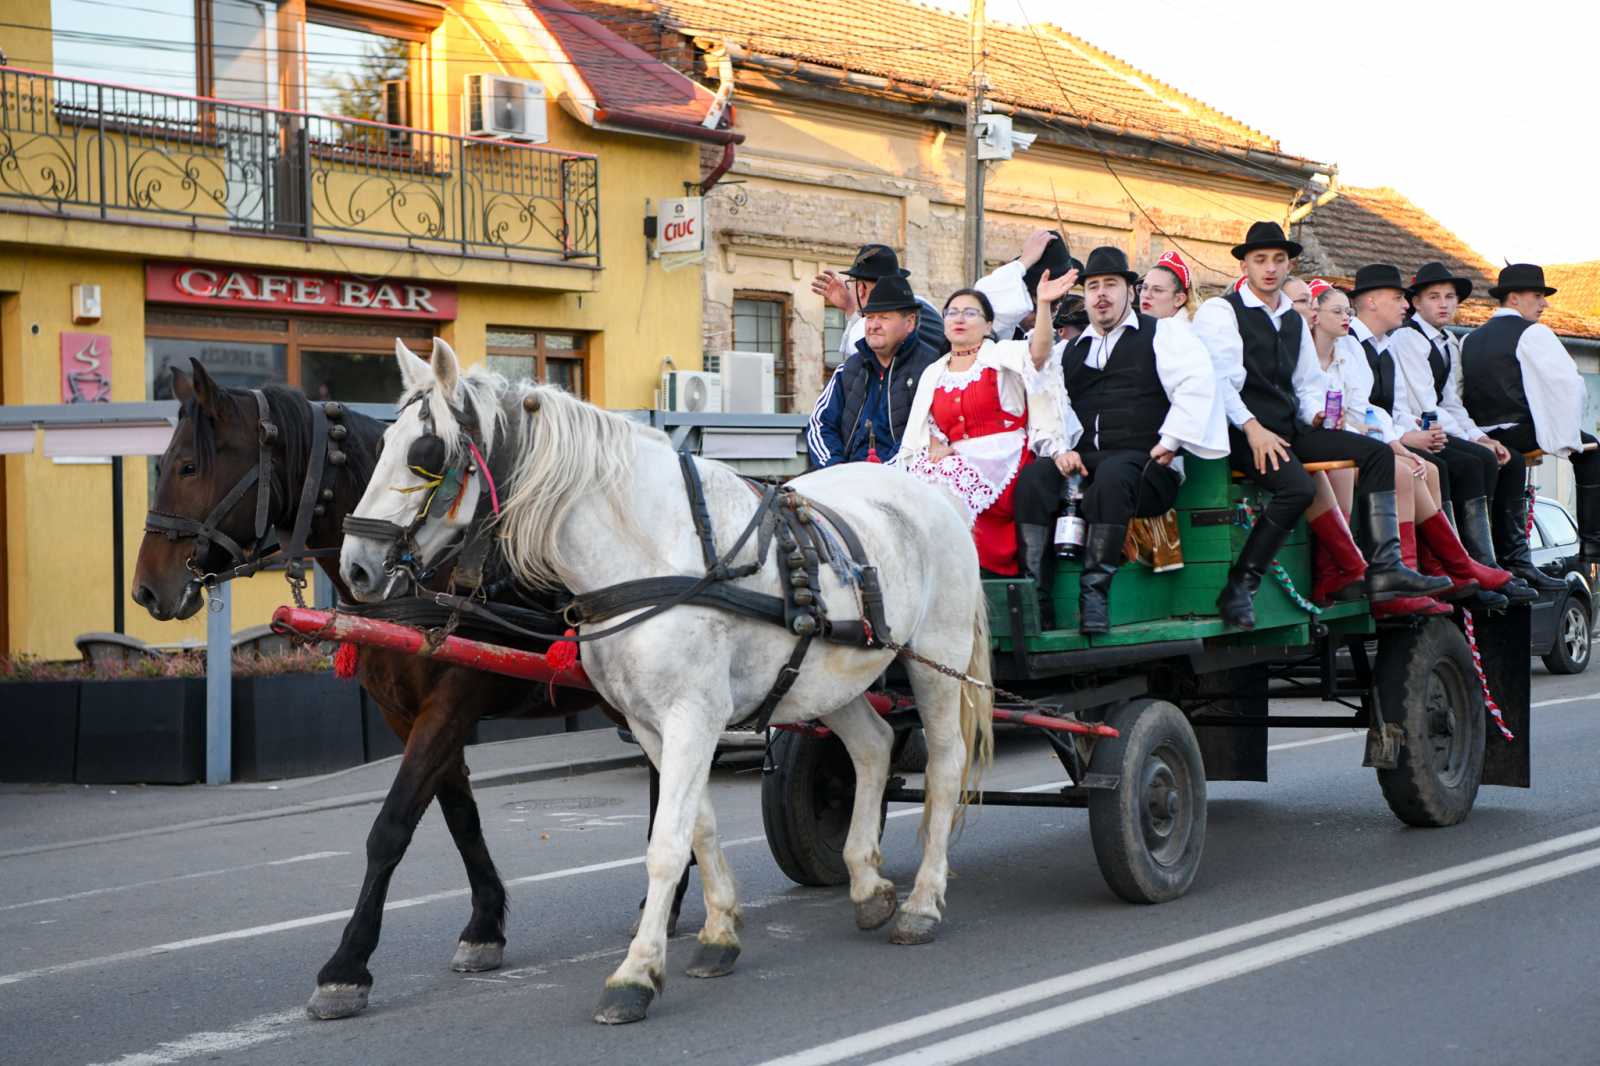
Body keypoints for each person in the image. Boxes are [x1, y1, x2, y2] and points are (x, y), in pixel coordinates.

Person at [1193, 221, 1448, 629]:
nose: (1270, 268)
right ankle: (1241, 584)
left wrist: (1316, 414)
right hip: (1240, 430)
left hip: (1289, 428)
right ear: (1244, 266)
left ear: (1289, 262)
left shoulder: (1293, 320)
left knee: (1378, 454)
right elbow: (1218, 380)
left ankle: (1385, 567)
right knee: (1296, 487)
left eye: (1278, 260)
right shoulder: (1222, 311)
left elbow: (1307, 385)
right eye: (1260, 260)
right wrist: (1252, 427)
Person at [1012, 246, 1224, 633]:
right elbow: (1047, 404)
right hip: (1087, 465)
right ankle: (1034, 599)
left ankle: (1094, 596)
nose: (1101, 294)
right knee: (1034, 479)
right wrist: (1059, 451)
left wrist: (1172, 439)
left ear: (1130, 291)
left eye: (1111, 284)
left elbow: (1196, 382)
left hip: (1148, 469)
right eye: (1093, 286)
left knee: (1113, 475)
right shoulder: (1068, 351)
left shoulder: (1163, 334)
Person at [1318, 265, 1514, 615]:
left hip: (1375, 435)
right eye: (1398, 299)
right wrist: (1400, 441)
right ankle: (1421, 570)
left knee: (1432, 468)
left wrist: (1401, 439)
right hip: (1354, 439)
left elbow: (1388, 409)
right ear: (1372, 302)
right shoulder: (1352, 344)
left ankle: (1440, 568)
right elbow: (1358, 409)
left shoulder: (1385, 346)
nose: (1405, 306)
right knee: (1412, 470)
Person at [892, 288, 1069, 576]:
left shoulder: (1000, 355)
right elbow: (923, 428)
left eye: (970, 312)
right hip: (955, 459)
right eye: (952, 312)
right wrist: (934, 441)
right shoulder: (934, 372)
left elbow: (1039, 353)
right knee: (911, 495)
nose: (959, 318)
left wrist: (1044, 305)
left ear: (988, 325)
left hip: (1002, 456)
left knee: (942, 496)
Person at [1390, 262, 1538, 601]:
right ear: (1416, 303)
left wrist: (1482, 437)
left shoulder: (1449, 342)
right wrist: (1473, 441)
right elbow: (1427, 404)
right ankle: (1467, 563)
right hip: (1415, 427)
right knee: (1473, 463)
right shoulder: (1408, 339)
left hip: (1440, 424)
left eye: (1450, 297)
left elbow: (1453, 402)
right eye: (1433, 297)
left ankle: (1505, 558)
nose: (1443, 304)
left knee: (1506, 459)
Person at [1460, 262, 1600, 566]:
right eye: (1537, 295)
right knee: (1591, 449)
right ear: (1514, 298)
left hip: (1479, 435)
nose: (1544, 304)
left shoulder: (1468, 340)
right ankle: (1593, 543)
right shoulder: (1533, 333)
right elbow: (1568, 386)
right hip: (1518, 432)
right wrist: (1563, 432)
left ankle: (1505, 555)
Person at [807, 275, 941, 466]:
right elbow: (820, 424)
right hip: (843, 478)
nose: (874, 325)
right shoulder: (848, 369)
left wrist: (876, 476)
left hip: (902, 482)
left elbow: (923, 438)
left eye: (884, 317)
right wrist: (835, 468)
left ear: (909, 323)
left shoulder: (932, 369)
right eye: (870, 317)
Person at [811, 243, 946, 359]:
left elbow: (853, 360)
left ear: (860, 289)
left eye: (851, 284)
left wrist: (851, 309)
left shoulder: (868, 329)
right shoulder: (923, 303)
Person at [971, 229, 1083, 342]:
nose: (1046, 314)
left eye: (1055, 304)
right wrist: (1024, 262)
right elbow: (980, 301)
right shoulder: (1001, 335)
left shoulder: (1059, 345)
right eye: (1035, 305)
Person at [1138, 250, 1192, 320]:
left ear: (1179, 300)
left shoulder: (1185, 330)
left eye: (1157, 290)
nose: (1147, 295)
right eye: (1144, 288)